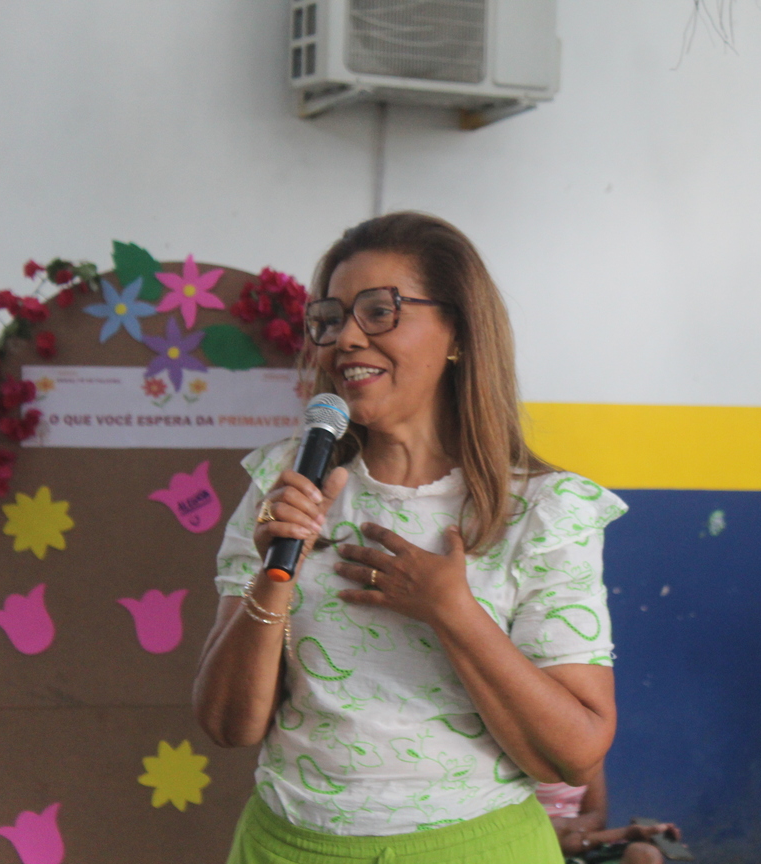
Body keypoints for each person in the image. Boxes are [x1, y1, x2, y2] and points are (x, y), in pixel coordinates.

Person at [193, 212, 627, 864]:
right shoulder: (282, 486)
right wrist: (274, 576)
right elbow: (228, 724)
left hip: (475, 849)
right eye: (331, 319)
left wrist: (452, 611)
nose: (346, 339)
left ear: (458, 331)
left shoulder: (542, 510)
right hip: (287, 847)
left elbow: (574, 754)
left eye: (379, 312)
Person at [536, 768, 681, 863]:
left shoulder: (590, 748)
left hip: (577, 845)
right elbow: (555, 839)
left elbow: (596, 817)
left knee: (644, 855)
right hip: (536, 850)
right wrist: (626, 833)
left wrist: (633, 833)